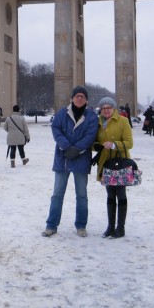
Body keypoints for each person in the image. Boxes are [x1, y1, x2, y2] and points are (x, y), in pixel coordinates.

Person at [42, 86, 98, 238]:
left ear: (86, 100)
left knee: (81, 195)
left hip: (81, 158)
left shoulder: (92, 116)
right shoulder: (62, 113)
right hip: (63, 158)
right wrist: (66, 147)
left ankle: (81, 225)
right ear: (72, 98)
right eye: (77, 96)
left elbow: (91, 135)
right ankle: (51, 225)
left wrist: (77, 148)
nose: (79, 98)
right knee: (57, 194)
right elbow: (56, 129)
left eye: (82, 96)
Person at [92, 97, 133, 238]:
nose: (106, 110)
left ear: (114, 109)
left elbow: (129, 143)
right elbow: (94, 141)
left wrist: (115, 144)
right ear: (101, 110)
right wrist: (95, 146)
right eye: (103, 108)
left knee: (121, 194)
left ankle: (120, 228)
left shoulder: (123, 121)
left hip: (120, 163)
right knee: (110, 194)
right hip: (106, 163)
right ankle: (110, 226)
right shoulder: (97, 123)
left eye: (109, 107)